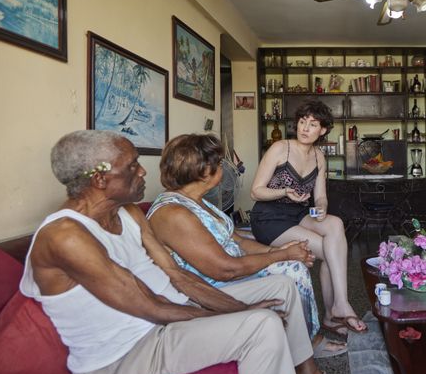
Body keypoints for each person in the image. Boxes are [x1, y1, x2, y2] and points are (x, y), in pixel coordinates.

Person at [21, 131, 347, 374]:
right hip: (126, 353)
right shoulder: (65, 237)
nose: (143, 171)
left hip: (164, 319)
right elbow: (150, 306)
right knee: (261, 325)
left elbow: (178, 277)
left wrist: (242, 302)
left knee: (278, 292)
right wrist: (242, 311)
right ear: (101, 178)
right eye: (132, 166)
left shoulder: (128, 213)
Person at [147, 133, 347, 359]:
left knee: (292, 262)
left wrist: (279, 251)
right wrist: (280, 257)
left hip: (229, 270)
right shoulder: (173, 213)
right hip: (212, 285)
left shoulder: (200, 203)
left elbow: (237, 240)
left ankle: (306, 339)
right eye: (220, 163)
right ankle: (305, 349)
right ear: (204, 171)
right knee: (293, 269)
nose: (224, 167)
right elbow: (224, 269)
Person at [250, 100, 367, 334]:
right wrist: (284, 191)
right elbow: (255, 191)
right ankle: (335, 312)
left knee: (335, 223)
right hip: (270, 218)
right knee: (330, 251)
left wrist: (322, 207)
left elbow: (320, 197)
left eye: (312, 124)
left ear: (322, 130)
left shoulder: (319, 157)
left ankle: (338, 307)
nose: (305, 128)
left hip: (300, 213)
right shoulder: (279, 148)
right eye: (302, 122)